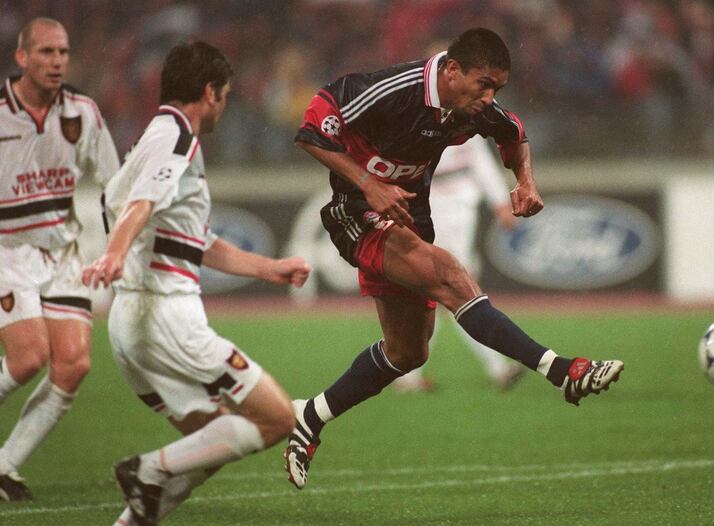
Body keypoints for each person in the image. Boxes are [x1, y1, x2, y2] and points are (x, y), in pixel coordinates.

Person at [284, 27, 624, 490]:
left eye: (497, 88)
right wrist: (367, 183)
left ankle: (310, 414)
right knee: (451, 275)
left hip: (411, 220)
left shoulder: (471, 110)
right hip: (355, 214)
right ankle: (561, 370)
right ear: (451, 70)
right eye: (483, 84)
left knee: (408, 351)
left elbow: (515, 135)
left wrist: (526, 180)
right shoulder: (394, 89)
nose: (489, 97)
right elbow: (310, 131)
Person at [82, 41, 311, 525]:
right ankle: (147, 468)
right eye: (224, 95)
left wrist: (270, 269)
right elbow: (139, 205)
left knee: (211, 441)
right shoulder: (177, 139)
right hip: (166, 314)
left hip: (133, 320)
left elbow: (196, 240)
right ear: (210, 93)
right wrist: (115, 254)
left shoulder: (154, 136)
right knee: (277, 419)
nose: (225, 106)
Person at [0, 17, 119, 501]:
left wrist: (117, 247)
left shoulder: (82, 111)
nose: (56, 62)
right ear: (22, 57)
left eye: (63, 53)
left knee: (72, 364)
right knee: (29, 359)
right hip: (7, 250)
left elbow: (114, 183)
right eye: (46, 52)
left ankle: (5, 465)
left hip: (63, 251)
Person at [393, 135, 524, 392]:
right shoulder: (419, 115)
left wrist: (500, 203)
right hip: (426, 204)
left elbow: (482, 163)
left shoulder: (466, 115)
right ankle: (497, 368)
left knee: (447, 293)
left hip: (460, 203)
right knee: (456, 293)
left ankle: (408, 375)